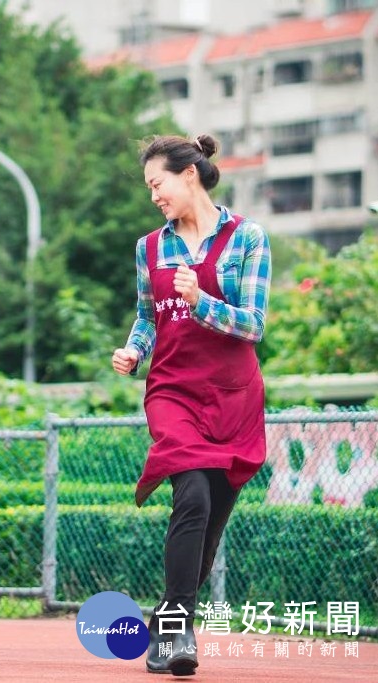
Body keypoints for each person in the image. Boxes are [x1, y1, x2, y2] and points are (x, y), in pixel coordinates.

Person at [111, 133, 271, 676]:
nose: (154, 195)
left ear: (189, 174)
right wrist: (135, 350)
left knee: (210, 527)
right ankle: (181, 637)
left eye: (158, 184)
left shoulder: (248, 237)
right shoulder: (149, 247)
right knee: (194, 495)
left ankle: (166, 621)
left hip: (234, 396)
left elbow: (253, 325)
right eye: (149, 187)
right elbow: (146, 316)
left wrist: (201, 301)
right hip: (173, 390)